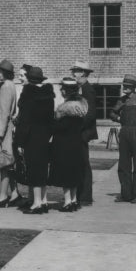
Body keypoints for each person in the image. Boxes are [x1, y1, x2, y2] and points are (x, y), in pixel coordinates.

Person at [13, 65, 54, 214]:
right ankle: (43, 201)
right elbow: (51, 120)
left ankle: (36, 203)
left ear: (29, 79)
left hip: (31, 136)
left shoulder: (28, 94)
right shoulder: (49, 95)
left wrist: (21, 141)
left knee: (33, 169)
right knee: (42, 168)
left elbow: (25, 121)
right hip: (44, 136)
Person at [0, 59, 23, 208]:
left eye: (0, 71)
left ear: (5, 73)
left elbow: (4, 111)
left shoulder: (6, 86)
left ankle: (2, 196)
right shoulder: (7, 85)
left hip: (3, 131)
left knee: (4, 164)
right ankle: (14, 193)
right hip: (4, 129)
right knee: (8, 163)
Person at [109, 74, 136, 204]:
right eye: (124, 85)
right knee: (123, 166)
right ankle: (126, 194)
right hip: (124, 134)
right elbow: (112, 113)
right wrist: (118, 118)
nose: (125, 88)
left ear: (134, 87)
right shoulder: (122, 100)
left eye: (128, 86)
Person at [49, 76, 89, 212]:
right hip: (76, 143)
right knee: (74, 173)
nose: (61, 91)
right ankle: (73, 200)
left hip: (64, 145)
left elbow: (58, 128)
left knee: (65, 173)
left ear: (65, 91)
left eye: (62, 89)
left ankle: (67, 202)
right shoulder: (81, 107)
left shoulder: (64, 110)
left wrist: (53, 122)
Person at [70, 61, 98, 207]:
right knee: (79, 163)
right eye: (74, 71)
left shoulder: (88, 90)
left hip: (83, 133)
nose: (73, 73)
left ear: (82, 73)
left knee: (83, 164)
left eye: (76, 71)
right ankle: (80, 195)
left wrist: (77, 127)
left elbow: (90, 114)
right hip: (79, 132)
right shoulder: (79, 88)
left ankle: (86, 197)